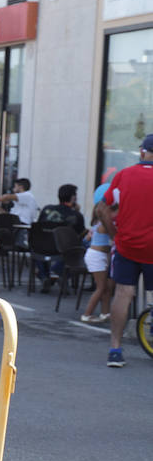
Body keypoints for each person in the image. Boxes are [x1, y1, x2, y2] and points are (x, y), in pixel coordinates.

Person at [98, 135, 153, 368]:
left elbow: (103, 208)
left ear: (142, 153)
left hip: (127, 246)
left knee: (123, 293)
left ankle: (115, 349)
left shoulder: (124, 175)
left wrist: (113, 234)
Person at [34, 184, 86, 292]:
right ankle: (56, 271)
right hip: (63, 250)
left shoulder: (46, 209)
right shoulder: (76, 215)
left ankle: (44, 276)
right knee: (79, 247)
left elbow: (38, 228)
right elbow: (81, 234)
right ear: (73, 197)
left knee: (38, 244)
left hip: (41, 248)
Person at [81, 177, 115, 325]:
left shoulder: (97, 223)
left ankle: (105, 313)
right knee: (101, 288)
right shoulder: (103, 224)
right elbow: (113, 235)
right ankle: (87, 314)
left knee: (106, 288)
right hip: (97, 256)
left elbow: (88, 239)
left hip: (99, 255)